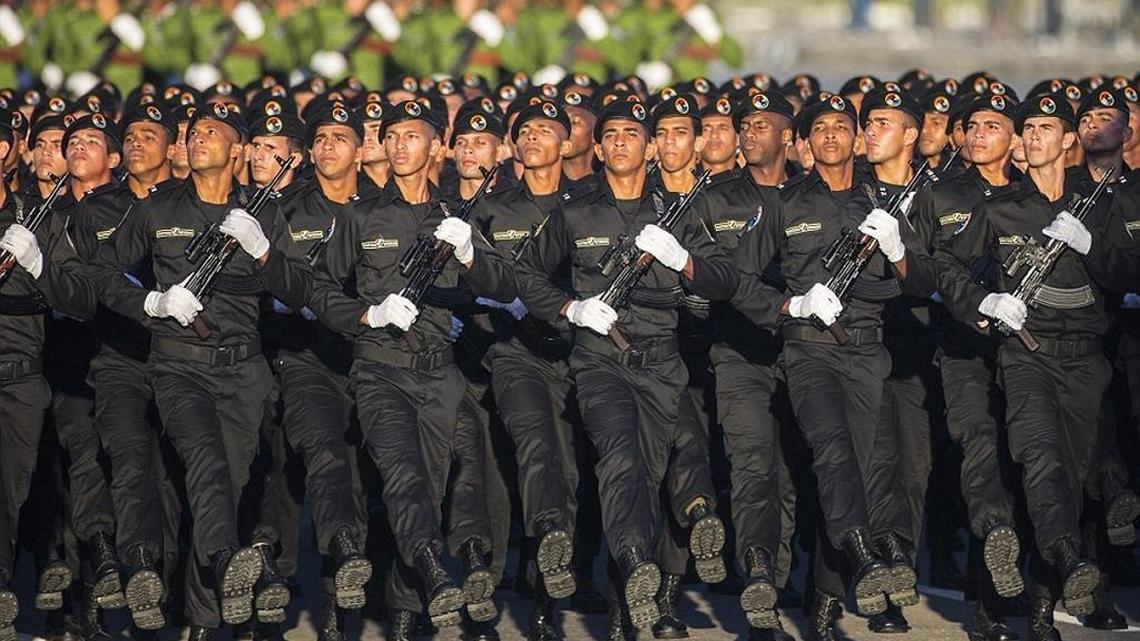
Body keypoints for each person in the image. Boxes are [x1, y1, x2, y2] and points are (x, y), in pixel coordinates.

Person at [517, 98, 735, 639]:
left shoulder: (678, 211)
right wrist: (571, 308)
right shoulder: (575, 211)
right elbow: (525, 274)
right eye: (610, 134)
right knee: (622, 461)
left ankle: (625, 607)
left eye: (632, 134)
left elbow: (725, 279)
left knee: (650, 479)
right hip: (600, 360)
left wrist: (684, 261)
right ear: (597, 146)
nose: (619, 142)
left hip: (662, 362)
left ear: (652, 147)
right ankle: (636, 560)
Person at [100, 102, 312, 641]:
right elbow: (102, 274)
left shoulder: (261, 213)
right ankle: (221, 562)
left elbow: (300, 289)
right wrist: (151, 302)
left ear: (237, 149)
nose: (197, 139)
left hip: (244, 372)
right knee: (207, 465)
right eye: (193, 132)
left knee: (223, 491)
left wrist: (263, 252)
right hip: (178, 366)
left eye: (211, 133)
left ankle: (202, 615)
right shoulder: (157, 206)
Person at [308, 99, 515, 640]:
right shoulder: (359, 216)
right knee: (402, 476)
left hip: (440, 373)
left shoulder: (455, 218)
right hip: (380, 369)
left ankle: (405, 617)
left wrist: (470, 256)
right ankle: (431, 564)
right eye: (392, 136)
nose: (400, 145)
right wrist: (367, 314)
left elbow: (504, 286)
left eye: (413, 135)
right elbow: (318, 290)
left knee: (428, 489)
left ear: (437, 147)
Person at [935, 93, 1137, 641]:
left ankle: (1046, 605)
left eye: (1046, 128)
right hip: (1027, 355)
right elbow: (948, 266)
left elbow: (1129, 272)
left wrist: (1092, 246)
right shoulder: (1000, 207)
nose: (1033, 137)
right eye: (1027, 129)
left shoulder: (1099, 206)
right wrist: (985, 300)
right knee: (1039, 459)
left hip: (1088, 361)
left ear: (1069, 140)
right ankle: (1068, 560)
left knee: (1067, 483)